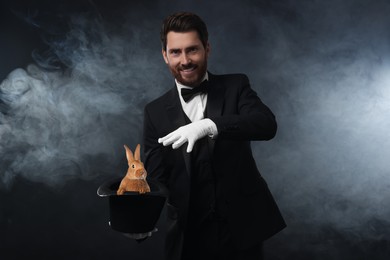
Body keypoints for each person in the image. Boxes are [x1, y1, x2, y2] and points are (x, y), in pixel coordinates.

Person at [143, 12, 286, 260]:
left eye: (193, 50)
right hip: (189, 235)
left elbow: (266, 125)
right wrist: (140, 221)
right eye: (176, 52)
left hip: (242, 230)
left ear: (207, 48)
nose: (185, 60)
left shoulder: (236, 86)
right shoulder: (154, 111)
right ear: (165, 55)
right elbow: (156, 178)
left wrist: (209, 125)